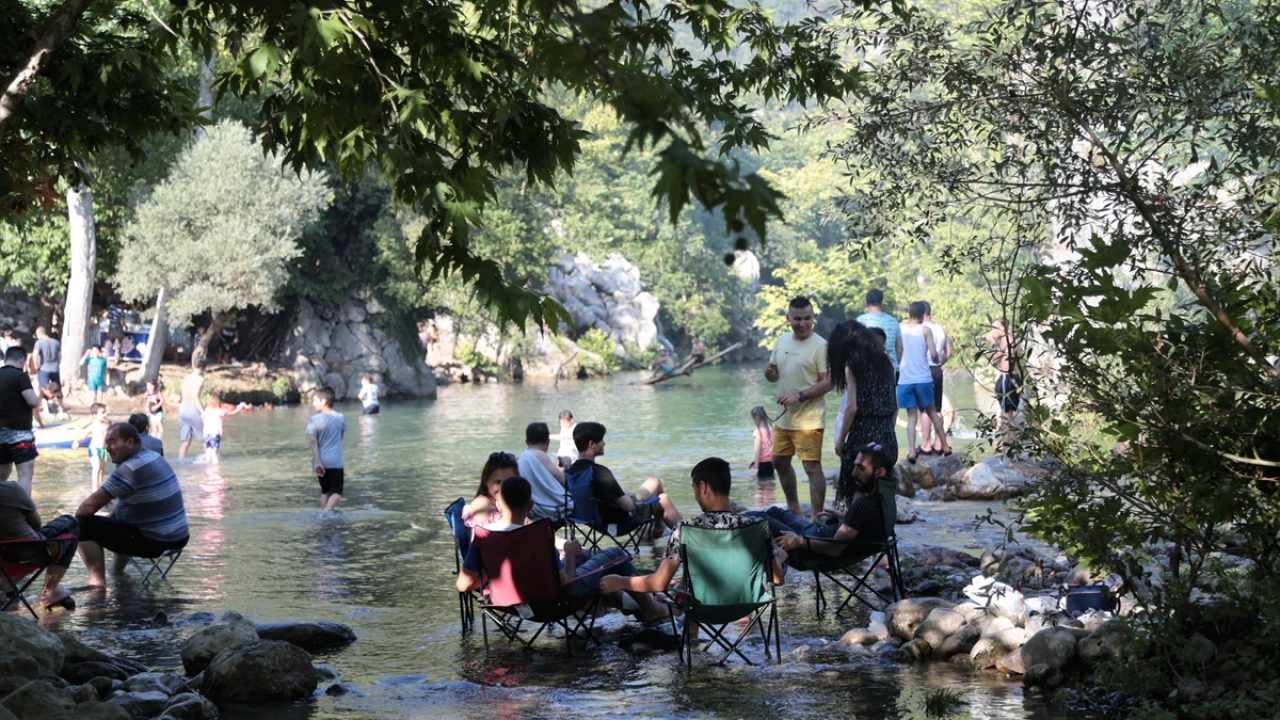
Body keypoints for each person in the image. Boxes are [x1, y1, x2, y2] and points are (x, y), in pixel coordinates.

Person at [456, 475, 670, 624]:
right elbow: (566, 583)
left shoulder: (484, 537)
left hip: (507, 604)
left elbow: (463, 585)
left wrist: (491, 586)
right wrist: (570, 554)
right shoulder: (538, 537)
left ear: (499, 505)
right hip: (553, 603)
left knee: (588, 556)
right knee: (615, 555)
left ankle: (627, 602)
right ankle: (651, 608)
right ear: (530, 506)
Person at [601, 457, 786, 614]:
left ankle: (691, 636)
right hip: (745, 607)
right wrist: (780, 556)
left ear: (703, 487)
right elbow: (777, 579)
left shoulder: (685, 530)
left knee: (689, 585)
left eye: (694, 489)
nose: (696, 496)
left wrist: (620, 582)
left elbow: (658, 582)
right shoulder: (757, 527)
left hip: (702, 610)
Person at [75, 422, 189, 587]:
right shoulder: (152, 456)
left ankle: (97, 584)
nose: (108, 448)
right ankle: (117, 572)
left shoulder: (130, 469)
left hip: (157, 541)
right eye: (107, 443)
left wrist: (81, 522)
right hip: (179, 537)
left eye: (112, 442)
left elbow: (87, 507)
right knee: (120, 517)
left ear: (129, 442)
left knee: (80, 526)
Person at [748, 443, 890, 570]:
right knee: (774, 511)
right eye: (855, 466)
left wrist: (798, 541)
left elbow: (834, 550)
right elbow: (864, 528)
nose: (853, 473)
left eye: (861, 468)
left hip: (809, 552)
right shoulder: (886, 498)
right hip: (819, 535)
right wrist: (844, 517)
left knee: (754, 518)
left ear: (879, 472)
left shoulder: (864, 504)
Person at [763, 296, 832, 520]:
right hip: (784, 418)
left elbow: (828, 382)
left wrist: (799, 396)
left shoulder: (820, 345)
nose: (803, 323)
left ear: (813, 318)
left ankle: (816, 516)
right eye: (798, 319)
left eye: (807, 318)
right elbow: (773, 377)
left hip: (809, 419)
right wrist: (770, 372)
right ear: (788, 319)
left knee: (811, 467)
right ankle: (793, 508)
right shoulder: (781, 341)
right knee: (779, 462)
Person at [568, 421, 683, 533]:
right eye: (601, 440)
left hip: (593, 522)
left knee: (654, 484)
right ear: (592, 444)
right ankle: (685, 538)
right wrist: (627, 496)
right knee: (662, 496)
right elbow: (628, 506)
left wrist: (621, 494)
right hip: (619, 523)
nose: (604, 443)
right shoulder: (600, 472)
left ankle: (658, 529)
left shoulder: (570, 471)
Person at [831, 323, 898, 510]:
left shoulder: (852, 365)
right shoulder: (888, 361)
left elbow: (852, 408)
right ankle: (881, 531)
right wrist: (888, 432)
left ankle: (846, 529)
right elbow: (895, 407)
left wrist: (840, 439)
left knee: (851, 485)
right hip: (887, 433)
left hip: (862, 432)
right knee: (880, 489)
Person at [0, 481, 78, 610]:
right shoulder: (12, 489)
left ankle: (6, 586)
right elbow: (37, 523)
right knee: (71, 522)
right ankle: (49, 592)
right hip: (34, 552)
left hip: (3, 560)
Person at [897, 301, 951, 464]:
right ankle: (946, 447)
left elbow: (899, 350)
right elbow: (934, 353)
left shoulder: (900, 329)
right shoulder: (926, 330)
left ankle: (912, 451)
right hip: (923, 378)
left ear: (909, 314)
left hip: (905, 380)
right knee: (933, 412)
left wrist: (903, 364)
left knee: (912, 416)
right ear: (923, 315)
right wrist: (936, 359)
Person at [0, 346, 43, 495]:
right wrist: (38, 398)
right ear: (22, 360)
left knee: (2, 476)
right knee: (25, 475)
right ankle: (25, 512)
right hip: (20, 434)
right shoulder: (20, 376)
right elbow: (32, 402)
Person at [517, 421, 570, 523]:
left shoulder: (521, 459)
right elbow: (565, 482)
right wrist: (567, 465)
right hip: (548, 511)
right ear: (548, 441)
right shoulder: (540, 455)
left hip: (529, 511)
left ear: (526, 442)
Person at [919, 301, 953, 455]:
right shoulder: (939, 328)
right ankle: (939, 444)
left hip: (924, 371)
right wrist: (939, 362)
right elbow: (949, 351)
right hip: (937, 370)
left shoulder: (921, 329)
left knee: (925, 410)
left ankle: (925, 444)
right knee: (937, 408)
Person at [306, 386, 347, 512]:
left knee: (325, 491)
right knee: (337, 492)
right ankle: (327, 511)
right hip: (335, 461)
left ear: (323, 402)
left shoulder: (313, 419)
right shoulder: (340, 418)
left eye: (315, 400)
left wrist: (317, 461)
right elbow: (340, 438)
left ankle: (324, 516)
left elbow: (313, 442)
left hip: (320, 461)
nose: (312, 403)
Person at [986, 318, 1021, 448]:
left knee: (1005, 415)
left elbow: (994, 358)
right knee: (1008, 414)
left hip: (1008, 378)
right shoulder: (1008, 339)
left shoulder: (1007, 339)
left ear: (1003, 328)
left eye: (995, 328)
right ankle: (1014, 442)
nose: (992, 331)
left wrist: (993, 343)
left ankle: (1006, 447)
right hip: (1007, 377)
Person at [464, 451, 519, 527]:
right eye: (498, 482)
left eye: (509, 482)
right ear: (486, 480)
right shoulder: (482, 505)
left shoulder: (514, 504)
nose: (503, 488)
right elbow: (480, 537)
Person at [856, 289, 901, 373]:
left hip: (867, 367)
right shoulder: (893, 321)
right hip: (890, 367)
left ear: (865, 303)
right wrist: (898, 364)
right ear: (882, 303)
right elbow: (899, 348)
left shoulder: (859, 321)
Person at [72, 403, 110, 489]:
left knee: (101, 470)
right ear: (94, 415)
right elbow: (82, 437)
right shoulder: (92, 426)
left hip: (103, 450)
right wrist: (76, 442)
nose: (106, 414)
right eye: (103, 412)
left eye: (106, 412)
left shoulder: (107, 425)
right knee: (96, 467)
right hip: (94, 449)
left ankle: (100, 486)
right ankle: (94, 487)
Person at [201, 394, 247, 464]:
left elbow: (203, 418)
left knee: (208, 450)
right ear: (218, 402)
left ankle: (208, 465)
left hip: (206, 433)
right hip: (215, 433)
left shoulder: (207, 410)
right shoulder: (220, 411)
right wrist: (240, 408)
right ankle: (216, 468)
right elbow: (232, 413)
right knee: (214, 453)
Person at [177, 357, 206, 460]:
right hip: (193, 409)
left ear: (193, 366)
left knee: (185, 441)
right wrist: (203, 412)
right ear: (204, 368)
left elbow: (181, 395)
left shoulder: (186, 378)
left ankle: (181, 463)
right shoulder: (200, 379)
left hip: (182, 409)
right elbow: (195, 397)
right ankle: (210, 461)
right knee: (206, 437)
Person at [748, 405, 775, 479]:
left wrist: (756, 467)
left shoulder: (757, 432)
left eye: (753, 419)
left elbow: (758, 450)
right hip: (771, 463)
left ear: (756, 418)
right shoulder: (771, 429)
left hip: (762, 464)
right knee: (770, 484)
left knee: (760, 487)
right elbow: (772, 448)